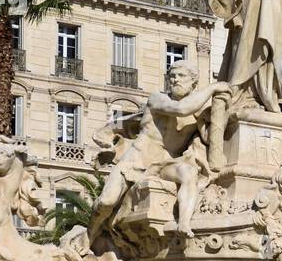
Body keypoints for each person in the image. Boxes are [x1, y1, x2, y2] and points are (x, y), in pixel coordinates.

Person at [87, 61, 230, 244]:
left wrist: (221, 115)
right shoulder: (158, 98)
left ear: (194, 82)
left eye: (181, 76)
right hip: (137, 159)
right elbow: (181, 108)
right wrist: (214, 87)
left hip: (165, 163)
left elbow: (210, 139)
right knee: (106, 202)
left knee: (189, 172)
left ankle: (184, 223)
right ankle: (90, 235)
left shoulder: (198, 113)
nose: (175, 80)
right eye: (172, 76)